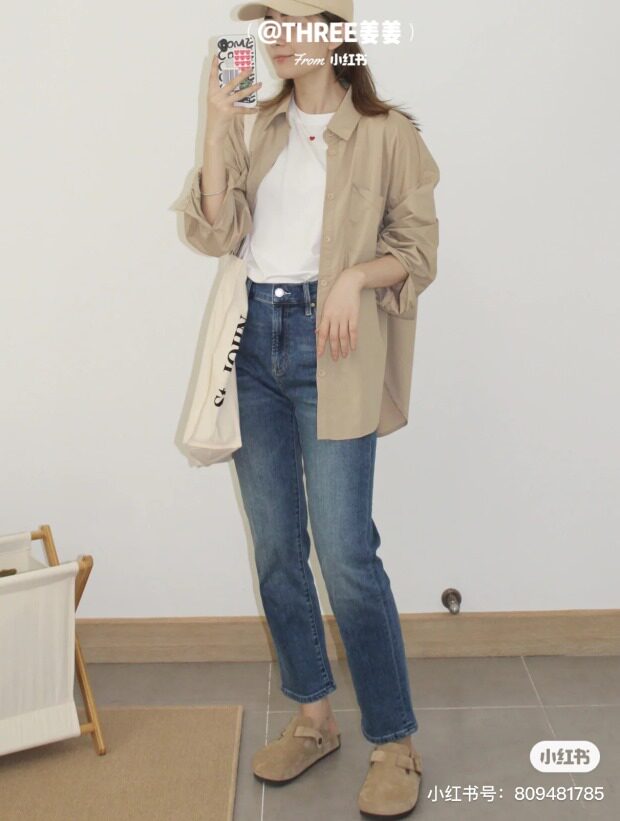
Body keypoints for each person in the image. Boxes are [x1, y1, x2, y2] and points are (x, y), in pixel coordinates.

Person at [173, 1, 439, 816]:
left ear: (334, 30)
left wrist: (354, 277)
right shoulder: (259, 123)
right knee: (278, 551)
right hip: (254, 342)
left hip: (334, 347)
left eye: (293, 21)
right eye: (271, 23)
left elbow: (418, 251)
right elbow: (216, 233)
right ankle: (315, 717)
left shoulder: (388, 133)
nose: (278, 37)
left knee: (347, 554)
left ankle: (393, 740)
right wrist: (215, 122)